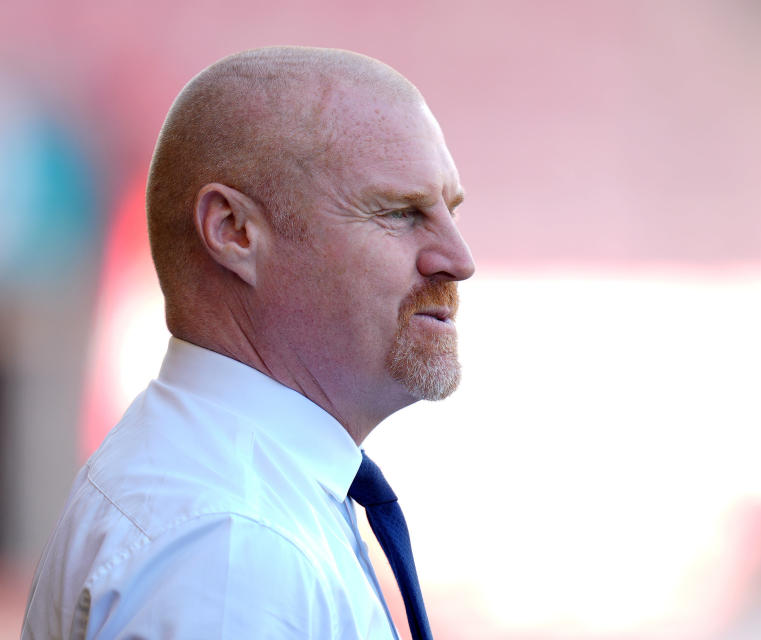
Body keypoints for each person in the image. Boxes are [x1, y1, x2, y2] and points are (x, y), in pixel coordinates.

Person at [21, 46, 474, 639]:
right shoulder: (231, 547)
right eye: (399, 213)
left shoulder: (232, 501)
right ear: (233, 232)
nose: (458, 261)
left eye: (450, 212)